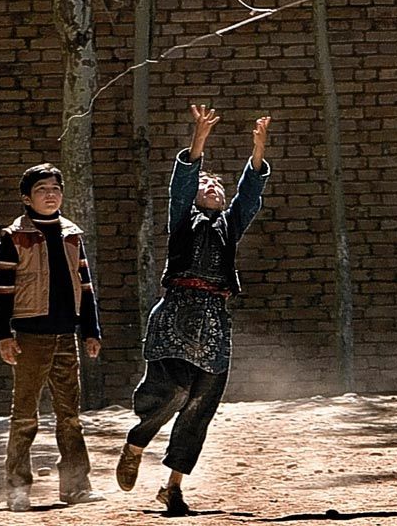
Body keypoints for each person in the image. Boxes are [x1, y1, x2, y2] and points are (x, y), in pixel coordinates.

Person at [116, 104, 271, 515]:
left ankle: (173, 486)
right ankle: (137, 441)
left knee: (201, 404)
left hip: (215, 320)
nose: (212, 188)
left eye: (217, 186)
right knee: (174, 390)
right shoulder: (183, 220)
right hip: (176, 313)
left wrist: (257, 153)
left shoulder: (229, 225)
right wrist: (198, 141)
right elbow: (181, 186)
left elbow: (249, 196)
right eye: (206, 185)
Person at [0, 163, 105, 512]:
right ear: (27, 198)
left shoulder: (72, 234)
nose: (50, 194)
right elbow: (1, 292)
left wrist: (90, 330)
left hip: (65, 336)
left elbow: (86, 288)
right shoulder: (15, 237)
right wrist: (3, 335)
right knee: (25, 414)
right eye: (42, 189)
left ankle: (75, 486)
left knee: (69, 414)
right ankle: (17, 488)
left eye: (55, 188)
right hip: (30, 336)